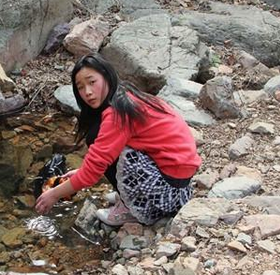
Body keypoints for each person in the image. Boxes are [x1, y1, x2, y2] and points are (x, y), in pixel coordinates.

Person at [35, 53, 201, 226]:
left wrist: (54, 194)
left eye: (92, 82)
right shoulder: (125, 94)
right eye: (81, 87)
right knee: (105, 141)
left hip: (168, 193)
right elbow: (98, 160)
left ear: (107, 76)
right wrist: (80, 172)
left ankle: (134, 209)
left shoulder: (118, 112)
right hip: (178, 182)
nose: (88, 92)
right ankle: (130, 196)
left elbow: (93, 170)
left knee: (103, 140)